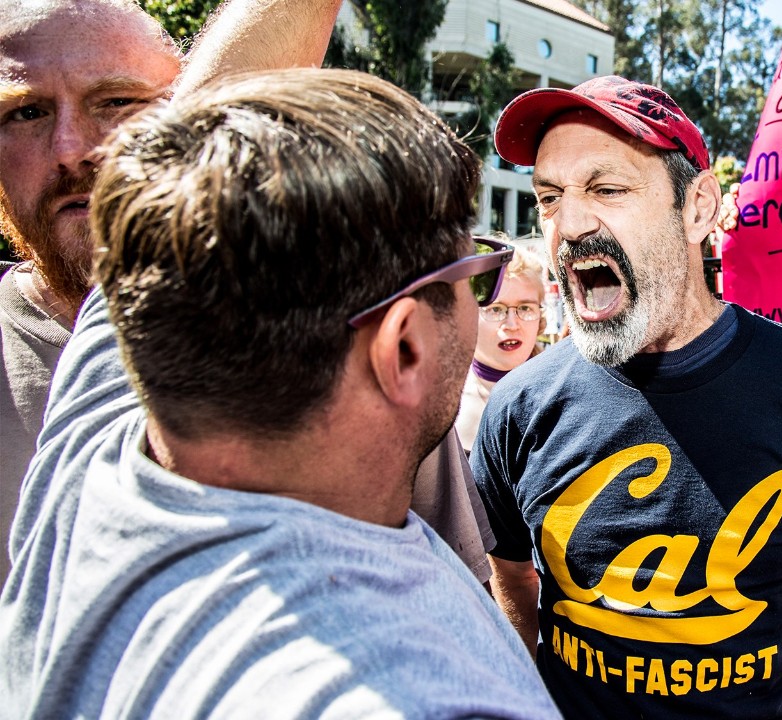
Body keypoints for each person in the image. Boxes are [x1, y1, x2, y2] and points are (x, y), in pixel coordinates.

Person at [0, 67, 561, 718]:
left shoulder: (93, 452)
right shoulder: (412, 699)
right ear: (403, 345)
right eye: (477, 275)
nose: (483, 304)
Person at [0, 0, 489, 587]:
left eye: (118, 103)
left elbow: (459, 585)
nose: (71, 148)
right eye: (25, 112)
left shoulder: (348, 346)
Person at [473, 75, 782, 719]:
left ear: (699, 208)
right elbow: (512, 580)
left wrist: (746, 648)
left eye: (608, 189)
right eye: (548, 197)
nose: (568, 224)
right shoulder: (517, 407)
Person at [455, 245, 547, 453]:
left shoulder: (560, 392)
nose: (512, 324)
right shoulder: (444, 400)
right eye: (496, 309)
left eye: (525, 308)